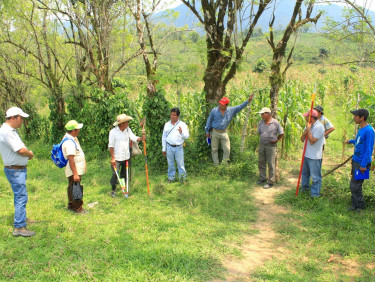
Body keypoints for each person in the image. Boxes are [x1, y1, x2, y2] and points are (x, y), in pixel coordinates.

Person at [0, 107, 35, 237]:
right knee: (21, 197)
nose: (22, 121)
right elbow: (20, 150)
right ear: (13, 117)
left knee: (19, 196)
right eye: (21, 118)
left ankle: (22, 218)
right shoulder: (7, 131)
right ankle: (19, 227)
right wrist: (29, 153)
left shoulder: (10, 131)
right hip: (15, 170)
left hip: (17, 169)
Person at [205, 94, 253, 165]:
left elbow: (240, 106)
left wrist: (248, 101)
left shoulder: (231, 110)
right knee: (214, 149)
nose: (221, 105)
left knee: (227, 149)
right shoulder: (214, 110)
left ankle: (224, 165)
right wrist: (207, 132)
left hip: (224, 133)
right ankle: (216, 165)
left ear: (226, 105)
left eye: (223, 104)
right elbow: (209, 121)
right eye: (220, 104)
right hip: (214, 132)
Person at [345, 109, 374, 212]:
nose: (354, 117)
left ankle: (360, 206)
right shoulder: (361, 129)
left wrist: (363, 164)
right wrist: (351, 141)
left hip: (362, 163)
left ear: (362, 118)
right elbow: (359, 142)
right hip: (356, 160)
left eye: (356, 116)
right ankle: (355, 205)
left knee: (356, 185)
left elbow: (368, 149)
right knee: (355, 184)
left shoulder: (369, 131)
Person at [109, 114, 144, 197]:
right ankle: (113, 189)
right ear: (121, 124)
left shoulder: (127, 130)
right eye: (127, 122)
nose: (128, 123)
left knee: (124, 174)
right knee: (115, 174)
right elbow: (111, 146)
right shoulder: (113, 132)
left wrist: (140, 138)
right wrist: (113, 158)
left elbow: (133, 137)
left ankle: (123, 187)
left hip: (126, 156)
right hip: (117, 157)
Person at [62, 120, 87, 213]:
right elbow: (71, 158)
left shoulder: (72, 138)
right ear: (73, 131)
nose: (79, 130)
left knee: (72, 186)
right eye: (78, 129)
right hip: (73, 169)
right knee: (75, 187)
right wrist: (75, 173)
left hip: (76, 168)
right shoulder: (69, 142)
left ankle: (72, 205)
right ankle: (78, 208)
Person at [257, 107, 284, 189]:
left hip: (271, 146)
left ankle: (271, 181)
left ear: (268, 114)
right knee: (261, 162)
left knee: (271, 163)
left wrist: (276, 140)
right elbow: (259, 133)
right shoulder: (260, 123)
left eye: (263, 114)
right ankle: (263, 178)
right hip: (262, 145)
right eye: (261, 114)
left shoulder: (275, 123)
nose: (261, 115)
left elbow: (281, 133)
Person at [300, 109, 325, 198]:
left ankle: (315, 194)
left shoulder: (319, 127)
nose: (305, 118)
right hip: (306, 154)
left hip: (315, 156)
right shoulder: (308, 126)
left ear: (311, 118)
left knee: (315, 177)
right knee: (305, 174)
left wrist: (309, 130)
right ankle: (304, 189)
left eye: (307, 116)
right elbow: (302, 139)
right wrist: (305, 131)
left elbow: (312, 141)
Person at [162, 108, 189, 183]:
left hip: (178, 147)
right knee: (170, 163)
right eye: (171, 114)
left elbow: (187, 136)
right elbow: (164, 137)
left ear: (178, 116)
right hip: (169, 147)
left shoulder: (182, 124)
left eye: (174, 115)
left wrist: (181, 132)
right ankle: (171, 178)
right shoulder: (167, 124)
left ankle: (183, 178)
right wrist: (164, 148)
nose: (172, 116)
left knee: (180, 164)